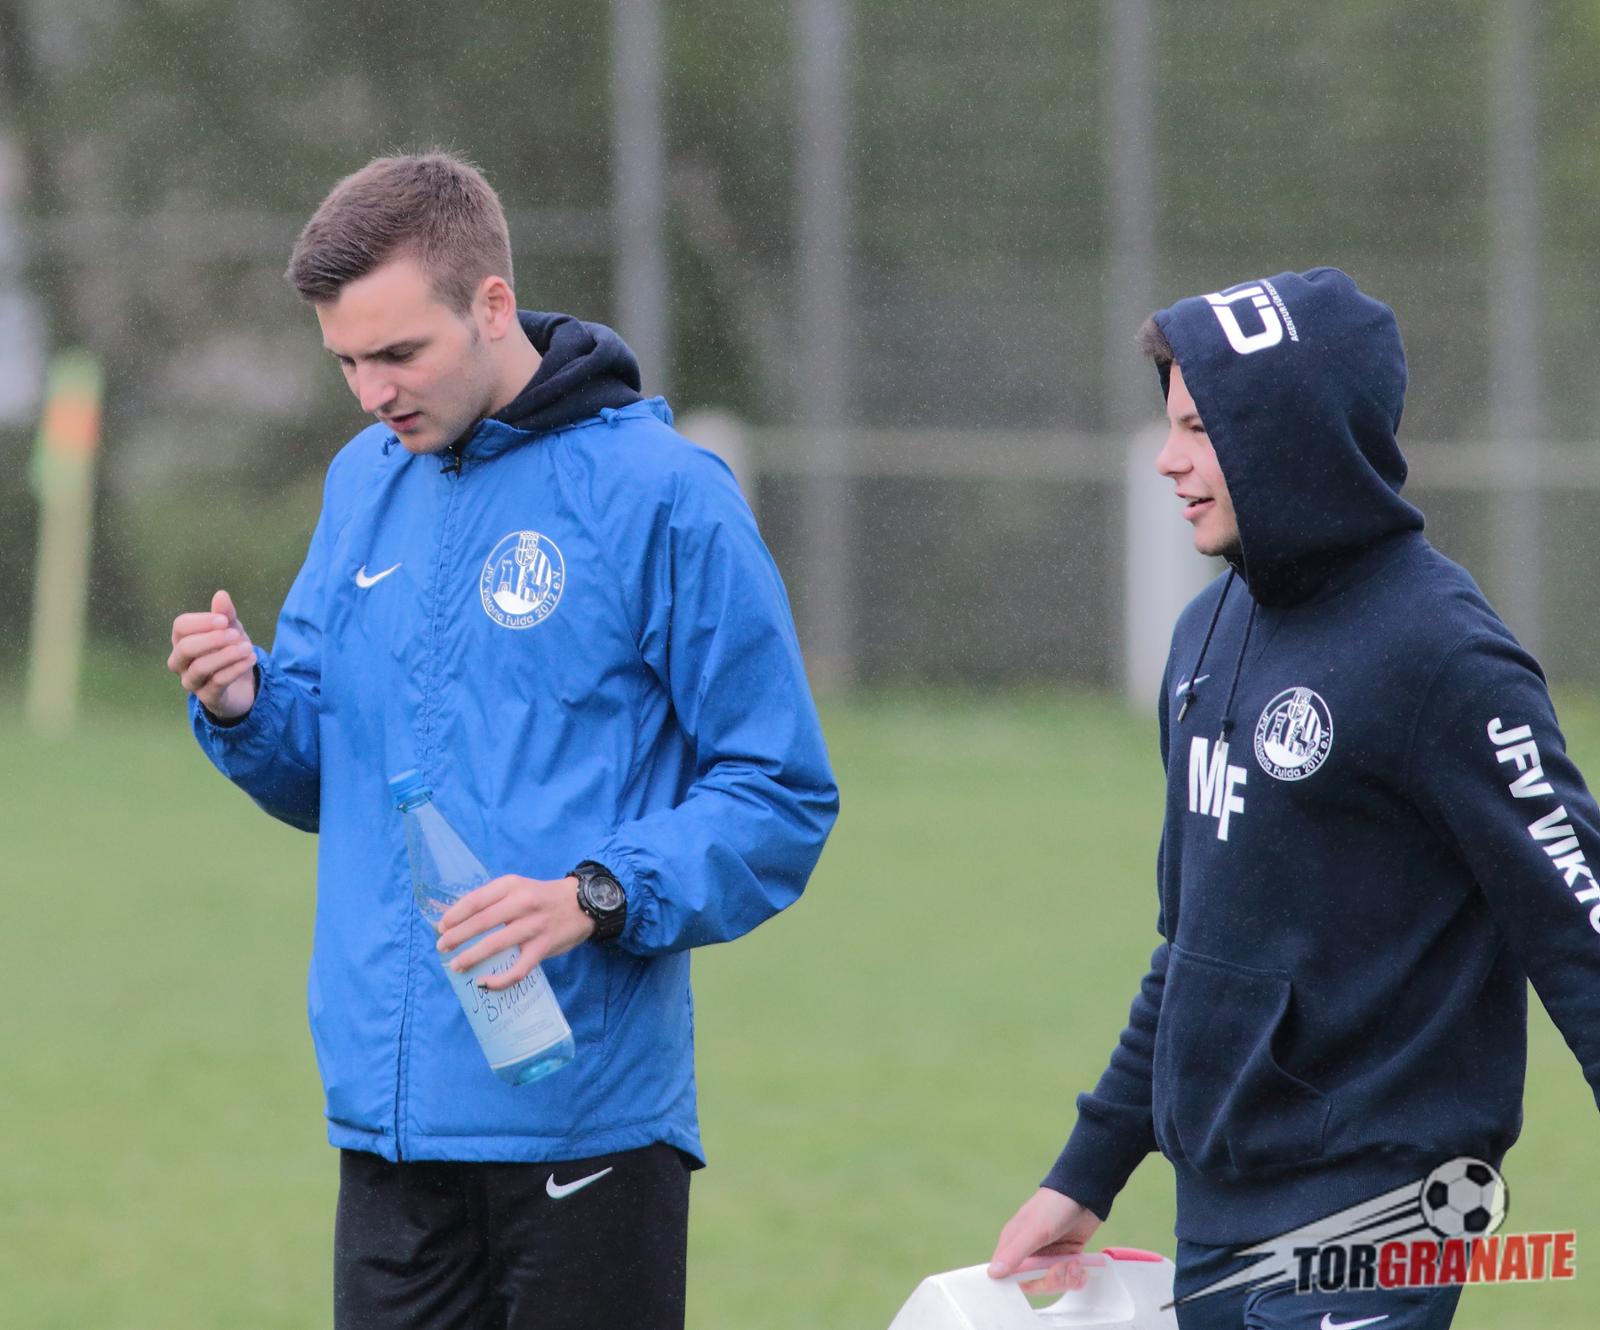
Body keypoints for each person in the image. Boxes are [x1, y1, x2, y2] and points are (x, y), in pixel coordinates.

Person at [166, 152, 838, 1330]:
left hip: (583, 1122)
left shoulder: (664, 494)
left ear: (490, 305)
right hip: (387, 1121)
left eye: (397, 352)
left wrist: (595, 893)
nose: (371, 393)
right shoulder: (362, 482)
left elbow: (778, 792)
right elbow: (329, 774)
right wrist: (243, 705)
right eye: (346, 362)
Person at [986, 268, 1600, 1329]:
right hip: (1216, 1213)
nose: (1168, 458)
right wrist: (1086, 1169)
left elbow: (1580, 930)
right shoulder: (1203, 636)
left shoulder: (1442, 656)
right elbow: (1192, 947)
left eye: (1199, 428)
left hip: (1382, 1214)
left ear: (1289, 437)